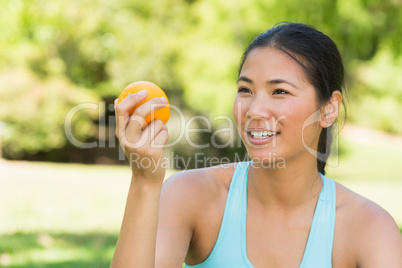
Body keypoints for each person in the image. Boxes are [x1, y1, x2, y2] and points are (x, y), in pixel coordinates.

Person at [110, 22, 402, 267]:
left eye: (280, 91)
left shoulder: (369, 229)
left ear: (328, 109)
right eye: (245, 90)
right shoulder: (192, 195)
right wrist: (145, 183)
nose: (254, 110)